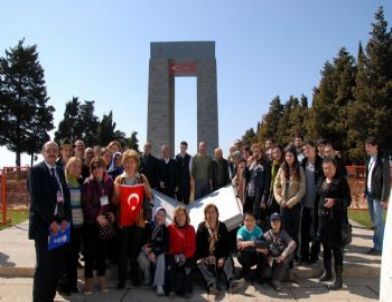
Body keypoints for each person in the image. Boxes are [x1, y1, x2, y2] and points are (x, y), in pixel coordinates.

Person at [28, 141, 71, 302]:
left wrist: (65, 218)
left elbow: (65, 196)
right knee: (43, 267)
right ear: (43, 152)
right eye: (49, 150)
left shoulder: (60, 171)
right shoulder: (36, 171)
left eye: (54, 150)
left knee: (56, 266)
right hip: (44, 227)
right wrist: (51, 221)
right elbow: (36, 200)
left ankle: (50, 297)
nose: (52, 153)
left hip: (60, 227)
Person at [113, 149, 152, 289]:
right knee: (123, 250)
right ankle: (121, 279)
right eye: (127, 162)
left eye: (132, 162)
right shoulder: (119, 179)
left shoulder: (142, 178)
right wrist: (117, 193)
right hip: (123, 219)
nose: (129, 165)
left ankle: (135, 276)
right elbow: (115, 202)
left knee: (135, 250)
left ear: (136, 163)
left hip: (139, 219)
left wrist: (147, 190)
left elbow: (149, 197)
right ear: (123, 164)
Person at [82, 157, 115, 294]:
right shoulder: (88, 182)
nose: (96, 169)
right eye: (94, 167)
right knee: (89, 253)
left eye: (99, 166)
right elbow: (86, 203)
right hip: (91, 223)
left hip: (104, 223)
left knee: (102, 253)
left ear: (104, 167)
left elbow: (112, 200)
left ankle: (101, 278)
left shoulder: (109, 182)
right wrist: (96, 216)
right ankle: (88, 280)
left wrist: (112, 212)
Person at [317, 158, 351, 290]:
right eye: (325, 168)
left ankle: (339, 279)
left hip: (336, 222)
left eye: (329, 168)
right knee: (325, 248)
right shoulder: (321, 180)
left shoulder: (341, 181)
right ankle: (328, 272)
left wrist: (335, 201)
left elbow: (347, 200)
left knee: (337, 250)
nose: (327, 170)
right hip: (323, 221)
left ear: (335, 167)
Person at [196, 204, 245, 295]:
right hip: (207, 259)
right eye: (208, 212)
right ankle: (213, 286)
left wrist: (222, 258)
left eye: (213, 212)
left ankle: (231, 283)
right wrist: (207, 257)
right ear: (205, 215)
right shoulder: (201, 227)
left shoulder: (222, 226)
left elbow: (226, 245)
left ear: (217, 214)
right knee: (200, 263)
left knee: (229, 259)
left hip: (219, 258)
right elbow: (199, 247)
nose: (211, 215)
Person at [273, 145, 306, 265]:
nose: (288, 158)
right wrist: (280, 201)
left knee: (295, 232)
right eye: (286, 155)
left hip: (294, 206)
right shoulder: (282, 169)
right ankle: (286, 258)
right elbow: (275, 186)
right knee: (284, 232)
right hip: (283, 205)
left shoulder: (299, 169)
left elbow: (302, 189)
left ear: (295, 156)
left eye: (291, 155)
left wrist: (292, 202)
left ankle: (294, 256)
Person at [61, 156, 84, 295]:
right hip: (66, 225)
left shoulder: (79, 183)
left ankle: (73, 284)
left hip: (78, 225)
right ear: (68, 167)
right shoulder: (63, 183)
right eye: (73, 166)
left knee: (74, 257)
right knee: (64, 257)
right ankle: (64, 285)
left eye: (78, 166)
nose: (76, 168)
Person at [364, 137, 390, 255]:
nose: (366, 149)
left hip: (378, 195)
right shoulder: (369, 159)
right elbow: (368, 176)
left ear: (376, 147)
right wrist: (365, 191)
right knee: (375, 221)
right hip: (370, 194)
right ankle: (381, 243)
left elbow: (386, 181)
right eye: (366, 146)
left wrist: (384, 198)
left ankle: (379, 247)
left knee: (379, 222)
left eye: (369, 146)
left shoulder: (383, 160)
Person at [299, 140, 323, 264]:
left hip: (316, 203)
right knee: (303, 231)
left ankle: (314, 256)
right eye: (304, 149)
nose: (306, 151)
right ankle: (303, 256)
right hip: (304, 203)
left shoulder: (321, 163)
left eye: (308, 148)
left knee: (314, 232)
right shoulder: (303, 163)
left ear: (314, 148)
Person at [138, 207, 169, 296]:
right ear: (155, 215)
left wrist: (154, 252)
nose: (161, 216)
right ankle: (147, 277)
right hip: (147, 251)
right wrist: (146, 247)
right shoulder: (149, 225)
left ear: (165, 217)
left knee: (162, 256)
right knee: (140, 257)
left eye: (163, 215)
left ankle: (159, 285)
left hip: (157, 254)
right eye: (159, 214)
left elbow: (165, 246)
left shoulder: (165, 229)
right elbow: (144, 240)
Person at [166, 206, 196, 298]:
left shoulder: (191, 228)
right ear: (175, 217)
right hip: (174, 254)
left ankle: (187, 290)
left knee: (188, 268)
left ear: (186, 216)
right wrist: (174, 255)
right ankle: (172, 290)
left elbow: (192, 247)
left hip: (187, 255)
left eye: (182, 214)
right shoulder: (170, 228)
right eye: (178, 215)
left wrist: (184, 256)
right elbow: (168, 245)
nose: (180, 217)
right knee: (171, 266)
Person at [263, 213, 297, 291]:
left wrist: (283, 255)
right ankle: (287, 275)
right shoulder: (266, 235)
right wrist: (269, 257)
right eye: (273, 220)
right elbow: (261, 248)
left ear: (281, 222)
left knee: (290, 253)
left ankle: (276, 280)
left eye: (278, 220)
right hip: (270, 262)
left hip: (281, 259)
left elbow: (293, 243)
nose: (275, 222)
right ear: (270, 222)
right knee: (266, 274)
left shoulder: (283, 233)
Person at [244, 143, 270, 228]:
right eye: (254, 151)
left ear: (261, 152)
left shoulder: (266, 164)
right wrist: (247, 166)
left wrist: (264, 199)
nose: (255, 153)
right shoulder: (252, 163)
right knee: (249, 217)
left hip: (258, 195)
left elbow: (267, 183)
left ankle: (258, 238)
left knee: (257, 219)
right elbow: (245, 176)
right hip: (249, 194)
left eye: (257, 151)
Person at [237, 212, 267, 282]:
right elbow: (240, 246)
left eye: (252, 220)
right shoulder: (241, 231)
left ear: (255, 221)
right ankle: (246, 272)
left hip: (255, 256)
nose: (250, 222)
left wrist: (250, 243)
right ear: (243, 221)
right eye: (247, 220)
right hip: (245, 256)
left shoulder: (258, 230)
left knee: (263, 255)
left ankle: (258, 276)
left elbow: (264, 244)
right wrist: (257, 247)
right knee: (241, 254)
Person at [267, 145, 284, 218]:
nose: (276, 154)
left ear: (282, 152)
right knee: (273, 212)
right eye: (274, 153)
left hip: (282, 192)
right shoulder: (273, 164)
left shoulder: (285, 164)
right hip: (273, 190)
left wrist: (281, 189)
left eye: (278, 152)